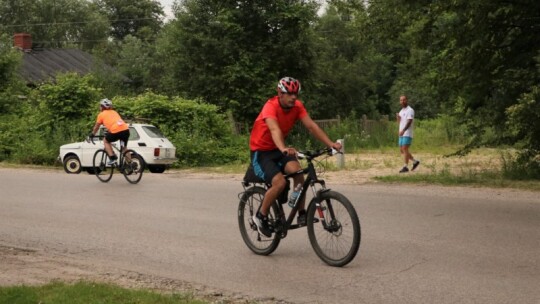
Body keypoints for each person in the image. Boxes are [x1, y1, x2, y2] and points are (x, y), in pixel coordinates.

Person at [249, 77, 342, 237]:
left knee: (298, 172)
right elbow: (274, 129)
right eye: (289, 93)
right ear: (280, 93)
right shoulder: (270, 106)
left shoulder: (297, 106)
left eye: (296, 94)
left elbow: (311, 126)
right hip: (261, 152)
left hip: (279, 149)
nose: (293, 97)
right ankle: (260, 216)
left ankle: (301, 213)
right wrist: (284, 148)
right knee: (279, 182)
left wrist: (330, 143)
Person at [88, 98, 130, 165]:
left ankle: (112, 158)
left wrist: (93, 134)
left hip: (116, 131)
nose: (99, 107)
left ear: (102, 107)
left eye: (100, 106)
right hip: (125, 130)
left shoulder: (101, 114)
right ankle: (130, 164)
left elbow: (97, 127)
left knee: (106, 141)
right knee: (124, 148)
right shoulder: (114, 112)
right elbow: (114, 122)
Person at [396, 95, 420, 173]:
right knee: (402, 150)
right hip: (401, 133)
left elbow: (409, 122)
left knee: (405, 149)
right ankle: (415, 161)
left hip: (407, 132)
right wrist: (398, 118)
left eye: (404, 100)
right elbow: (400, 122)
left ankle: (405, 167)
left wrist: (403, 130)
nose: (402, 101)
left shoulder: (410, 110)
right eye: (401, 100)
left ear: (407, 100)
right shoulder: (401, 111)